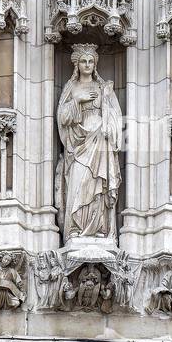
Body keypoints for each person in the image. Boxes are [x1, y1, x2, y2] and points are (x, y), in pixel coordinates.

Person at [57, 44, 123, 242]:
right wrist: (77, 100)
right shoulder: (72, 88)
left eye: (91, 61)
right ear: (77, 64)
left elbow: (116, 117)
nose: (87, 65)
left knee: (98, 185)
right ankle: (76, 227)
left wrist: (108, 126)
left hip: (100, 142)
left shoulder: (103, 88)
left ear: (95, 64)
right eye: (84, 61)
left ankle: (99, 227)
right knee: (79, 182)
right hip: (79, 144)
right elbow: (62, 117)